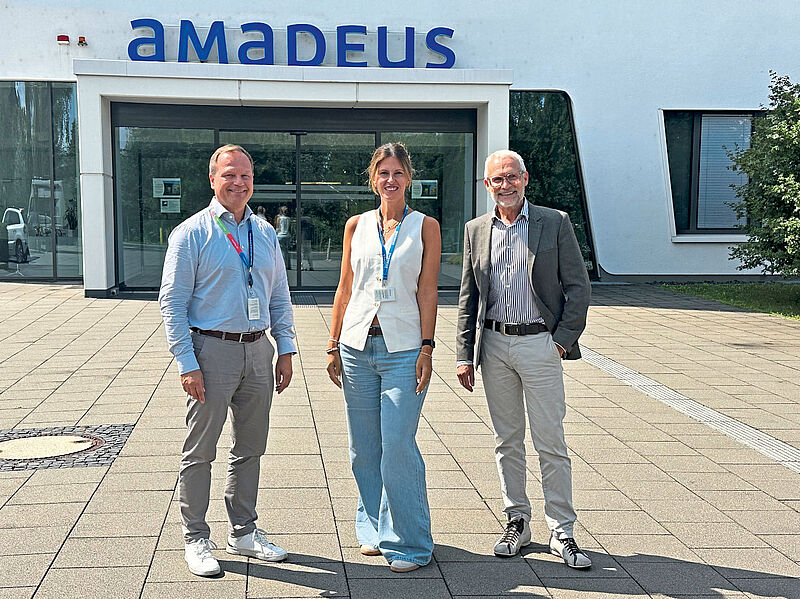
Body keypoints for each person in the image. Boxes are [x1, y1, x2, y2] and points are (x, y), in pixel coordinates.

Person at [159, 144, 296, 577]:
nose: (238, 183)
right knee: (200, 451)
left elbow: (278, 295)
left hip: (258, 350)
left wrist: (286, 347)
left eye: (245, 176)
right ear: (212, 179)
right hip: (210, 351)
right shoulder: (191, 233)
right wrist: (186, 362)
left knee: (250, 447)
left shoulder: (264, 232)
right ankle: (196, 537)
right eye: (230, 175)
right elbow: (172, 303)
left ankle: (244, 531)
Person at [455, 150, 592, 569]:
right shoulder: (476, 229)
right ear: (487, 186)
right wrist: (464, 355)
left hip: (540, 343)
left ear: (525, 178)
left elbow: (579, 287)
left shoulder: (554, 223)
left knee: (550, 440)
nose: (506, 185)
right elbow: (468, 298)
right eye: (497, 180)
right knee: (506, 441)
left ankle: (562, 530)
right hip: (494, 346)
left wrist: (560, 342)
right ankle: (517, 519)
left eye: (512, 177)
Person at [326, 142, 441, 573]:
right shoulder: (355, 225)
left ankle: (411, 543)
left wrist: (428, 346)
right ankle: (374, 528)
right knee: (363, 449)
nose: (390, 180)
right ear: (372, 178)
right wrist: (333, 344)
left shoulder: (425, 226)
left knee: (396, 445)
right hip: (357, 348)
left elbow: (427, 291)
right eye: (382, 172)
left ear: (408, 178)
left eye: (397, 172)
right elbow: (344, 288)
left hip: (404, 348)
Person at [275, 205, 292, 270]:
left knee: (281, 251)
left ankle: (283, 265)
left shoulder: (279, 218)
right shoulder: (288, 218)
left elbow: (277, 228)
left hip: (280, 235)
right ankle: (288, 264)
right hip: (287, 235)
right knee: (286, 251)